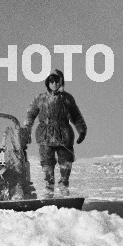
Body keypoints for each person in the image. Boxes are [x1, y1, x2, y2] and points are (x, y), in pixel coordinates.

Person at [23, 69, 86, 197]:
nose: (54, 83)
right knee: (47, 161)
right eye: (51, 81)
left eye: (57, 81)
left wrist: (81, 130)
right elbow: (30, 115)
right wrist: (26, 130)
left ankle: (63, 183)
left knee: (66, 161)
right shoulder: (40, 99)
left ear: (61, 82)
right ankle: (49, 185)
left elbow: (76, 116)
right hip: (45, 135)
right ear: (47, 83)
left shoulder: (67, 99)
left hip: (64, 135)